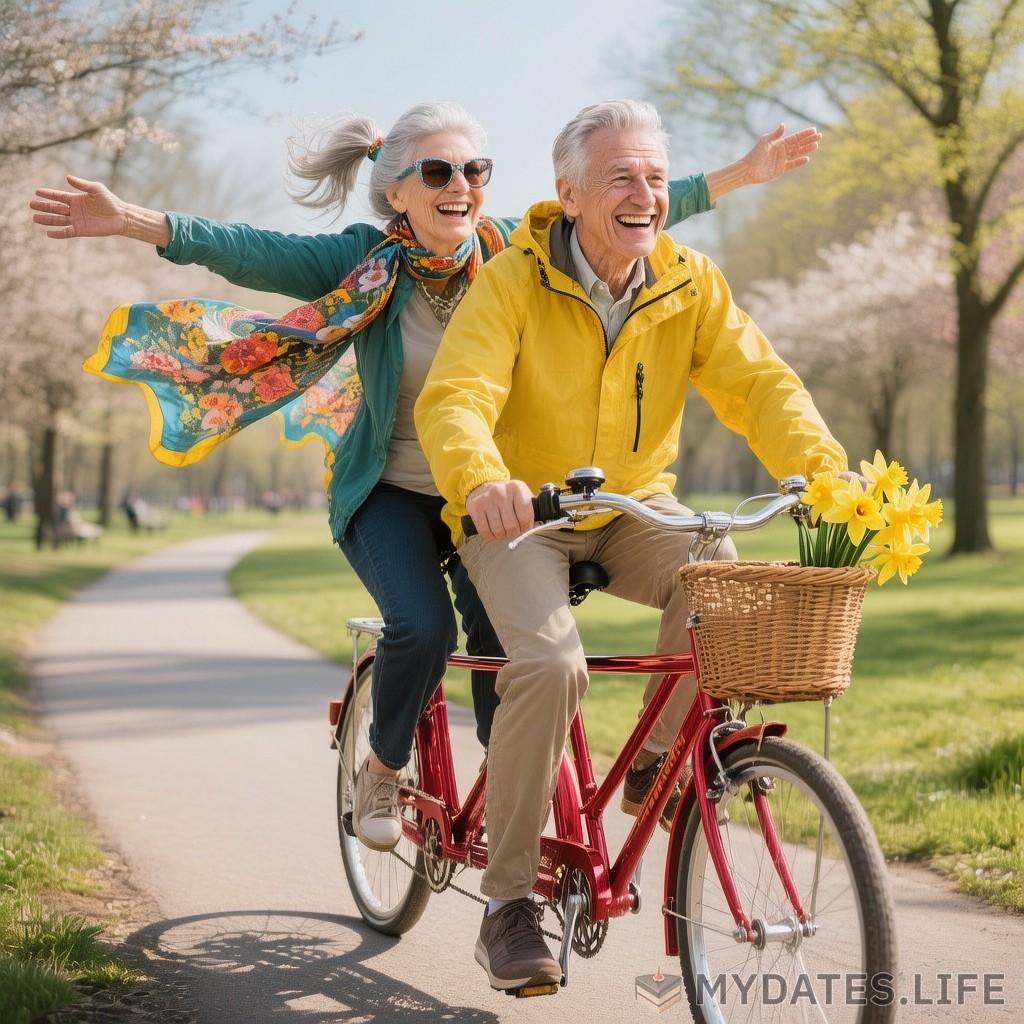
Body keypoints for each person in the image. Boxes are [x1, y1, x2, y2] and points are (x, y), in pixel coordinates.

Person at [31, 101, 820, 858]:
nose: (461, 187)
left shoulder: (510, 249)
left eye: (475, 169)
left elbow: (634, 203)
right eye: (438, 172)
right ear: (396, 192)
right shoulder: (358, 263)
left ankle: (507, 794)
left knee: (508, 645)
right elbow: (245, 246)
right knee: (424, 629)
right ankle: (382, 767)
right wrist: (132, 219)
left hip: (496, 491)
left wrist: (738, 176)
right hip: (394, 492)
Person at [414, 99, 849, 992]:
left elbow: (760, 383)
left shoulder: (689, 281)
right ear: (570, 194)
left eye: (655, 177)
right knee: (548, 665)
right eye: (622, 177)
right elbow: (457, 395)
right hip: (521, 515)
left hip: (634, 508)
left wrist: (825, 471)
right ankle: (508, 905)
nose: (645, 194)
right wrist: (481, 479)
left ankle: (654, 772)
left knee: (722, 579)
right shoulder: (512, 282)